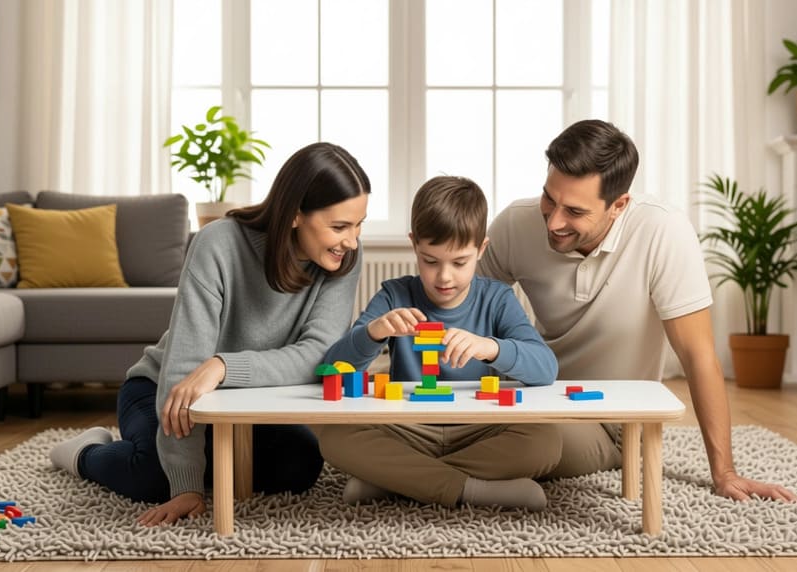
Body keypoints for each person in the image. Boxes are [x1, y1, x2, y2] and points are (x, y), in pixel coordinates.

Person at [48, 142, 372, 526]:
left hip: (245, 399)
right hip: (160, 386)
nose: (351, 240)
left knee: (299, 467)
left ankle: (210, 458)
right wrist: (185, 483)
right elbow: (184, 369)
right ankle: (85, 451)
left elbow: (318, 355)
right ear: (295, 214)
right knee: (155, 477)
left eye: (358, 225)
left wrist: (223, 367)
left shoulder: (344, 259)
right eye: (339, 226)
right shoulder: (217, 244)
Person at [477, 119, 797, 502]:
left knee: (531, 441)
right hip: (532, 393)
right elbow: (469, 312)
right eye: (550, 198)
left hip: (613, 419)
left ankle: (435, 476)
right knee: (442, 425)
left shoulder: (663, 231)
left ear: (619, 206)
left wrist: (724, 473)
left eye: (575, 211)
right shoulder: (517, 223)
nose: (554, 220)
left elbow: (697, 355)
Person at [312, 176, 561, 511]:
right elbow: (337, 370)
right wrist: (374, 332)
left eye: (459, 262)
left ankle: (398, 482)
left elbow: (545, 368)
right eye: (430, 261)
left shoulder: (497, 298)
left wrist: (491, 347)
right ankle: (473, 490)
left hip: (478, 428)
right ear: (414, 245)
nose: (444, 277)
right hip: (409, 428)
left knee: (545, 442)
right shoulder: (395, 294)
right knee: (335, 438)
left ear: (481, 249)